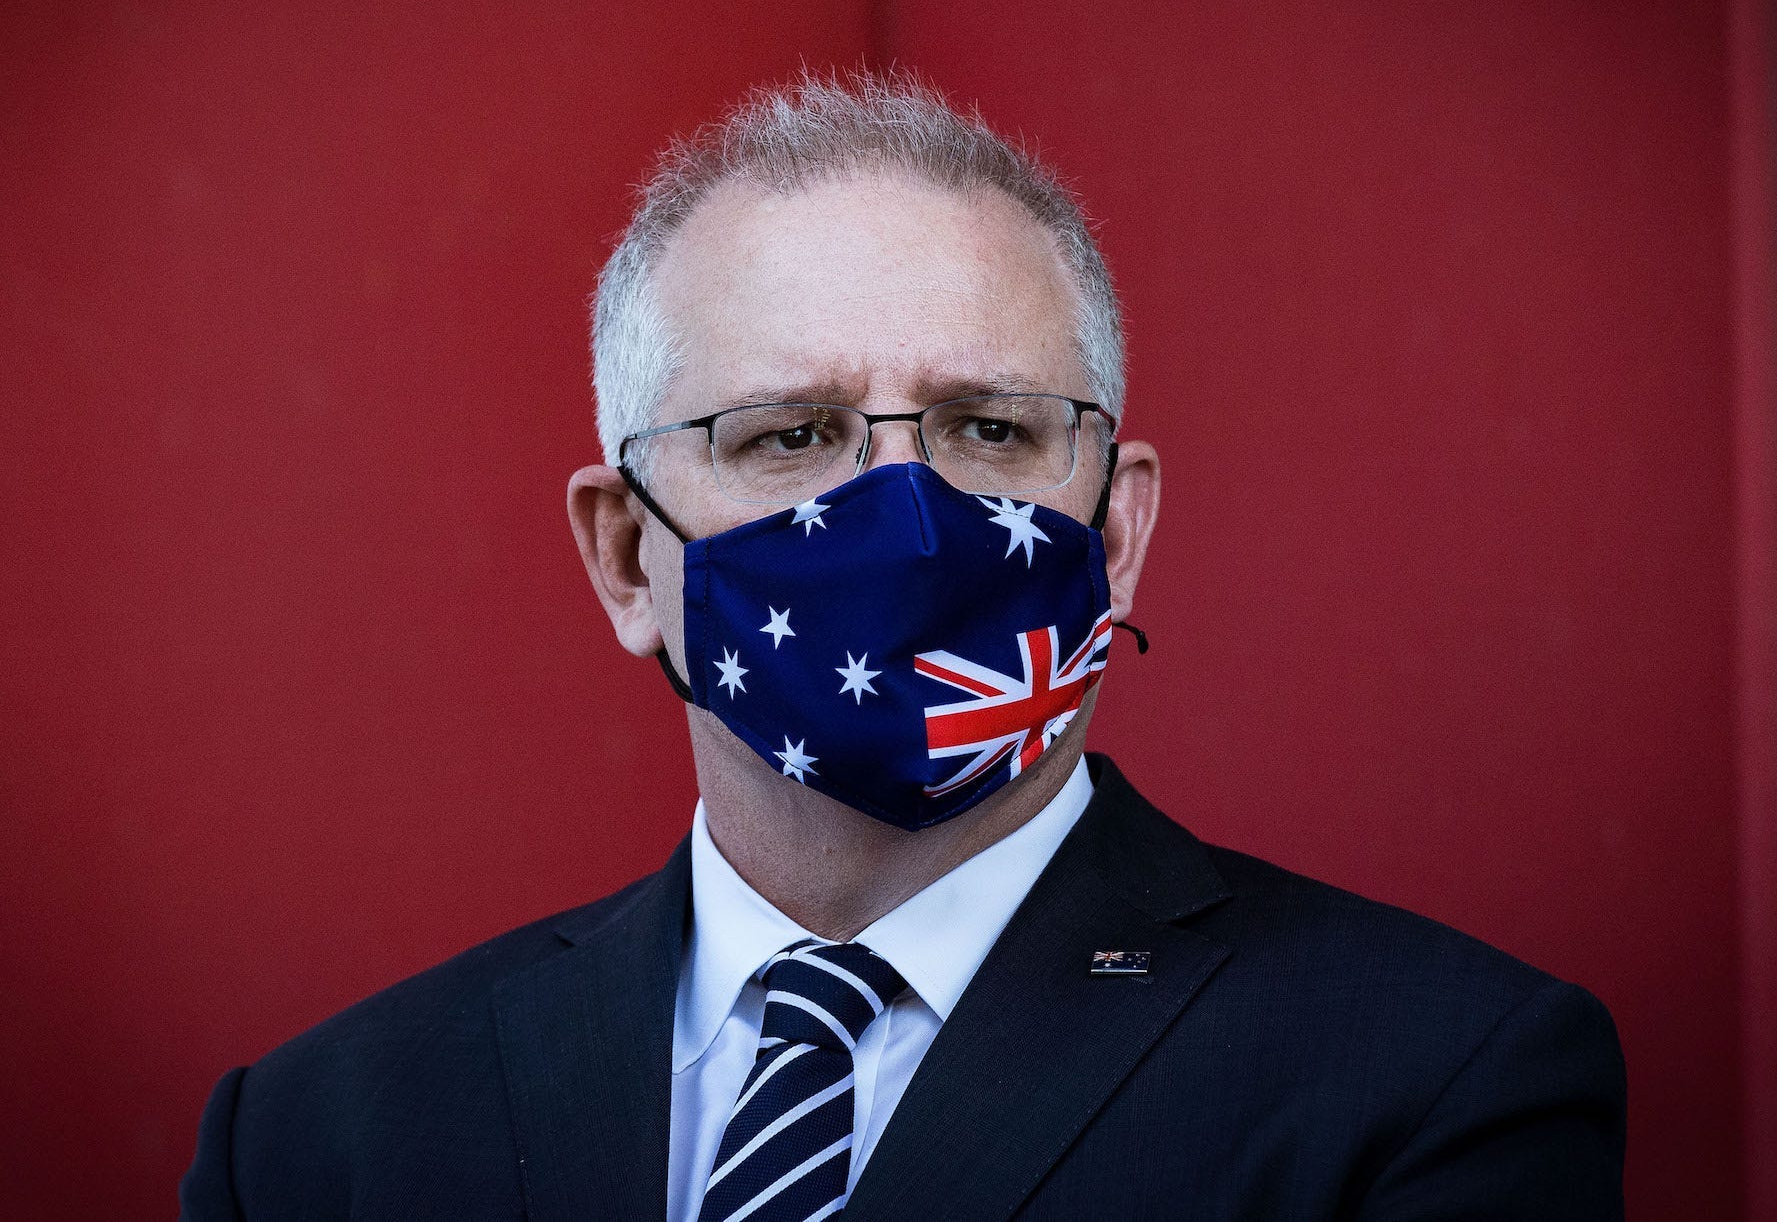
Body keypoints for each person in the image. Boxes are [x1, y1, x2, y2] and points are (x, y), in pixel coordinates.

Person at [181, 71, 1626, 1220]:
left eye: (987, 428)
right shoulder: (322, 1137)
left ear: (1112, 536)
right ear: (630, 554)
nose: (901, 516)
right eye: (789, 434)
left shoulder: (1433, 1080)